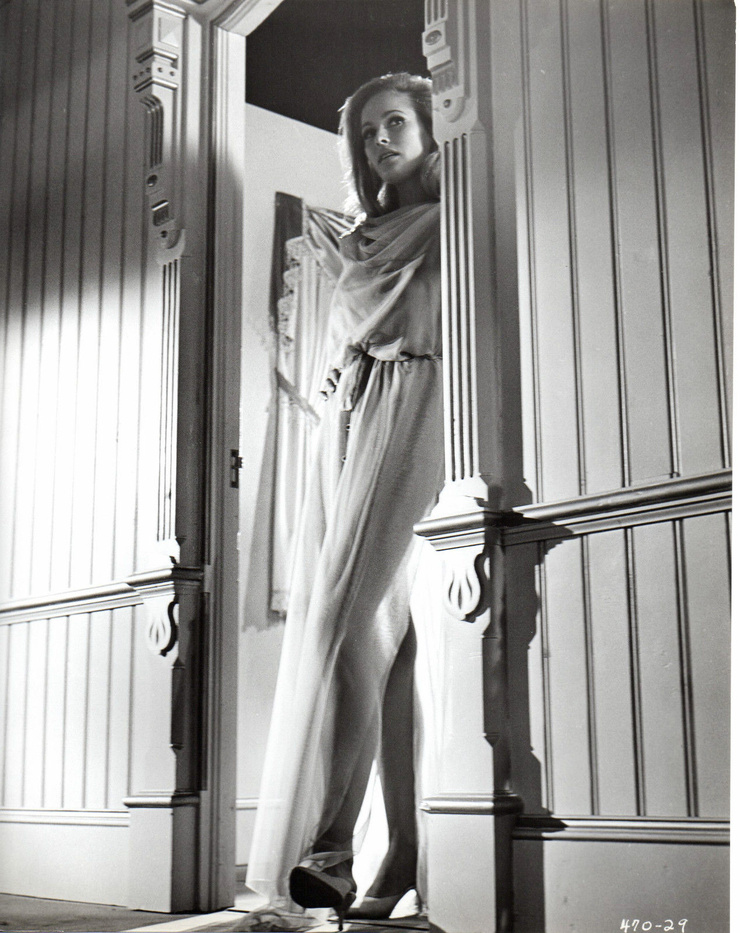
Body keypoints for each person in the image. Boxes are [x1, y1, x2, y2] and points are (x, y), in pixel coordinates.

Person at [246, 73, 443, 929]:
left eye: (395, 122)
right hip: (351, 423)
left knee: (348, 623)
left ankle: (328, 849)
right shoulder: (356, 241)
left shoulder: (456, 216)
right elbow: (338, 353)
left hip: (422, 409)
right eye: (367, 132)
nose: (379, 141)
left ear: (431, 128)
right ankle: (398, 856)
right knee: (388, 647)